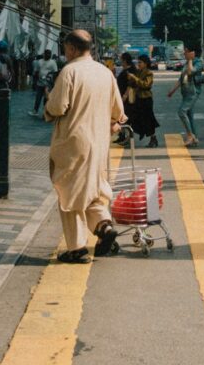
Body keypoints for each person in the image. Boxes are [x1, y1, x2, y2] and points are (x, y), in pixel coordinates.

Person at [44, 29, 126, 263]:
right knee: (93, 188)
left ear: (71, 48)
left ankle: (77, 248)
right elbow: (118, 112)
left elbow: (58, 106)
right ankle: (104, 227)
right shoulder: (104, 72)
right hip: (99, 143)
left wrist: (48, 105)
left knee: (68, 192)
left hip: (73, 141)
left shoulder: (69, 71)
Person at [168, 46, 200, 146]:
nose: (184, 54)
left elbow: (191, 72)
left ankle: (190, 135)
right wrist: (172, 90)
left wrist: (190, 59)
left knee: (181, 111)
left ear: (193, 53)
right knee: (189, 115)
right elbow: (181, 78)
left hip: (193, 92)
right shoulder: (187, 63)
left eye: (186, 52)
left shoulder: (198, 62)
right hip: (185, 92)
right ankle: (194, 138)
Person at [127, 54, 159, 147]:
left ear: (145, 63)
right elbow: (133, 84)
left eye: (140, 62)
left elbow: (146, 85)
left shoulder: (149, 73)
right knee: (136, 118)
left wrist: (135, 78)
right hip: (138, 98)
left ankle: (153, 138)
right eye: (138, 62)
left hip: (146, 98)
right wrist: (130, 79)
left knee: (148, 119)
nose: (139, 64)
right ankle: (139, 134)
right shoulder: (138, 72)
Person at [115, 52, 136, 145]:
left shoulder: (131, 70)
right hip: (122, 96)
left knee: (125, 117)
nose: (121, 62)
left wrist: (125, 96)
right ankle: (122, 135)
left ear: (125, 60)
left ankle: (126, 136)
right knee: (121, 116)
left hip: (128, 98)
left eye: (122, 60)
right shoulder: (125, 70)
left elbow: (130, 85)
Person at [30, 49, 58, 117]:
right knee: (38, 98)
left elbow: (55, 72)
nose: (48, 55)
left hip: (48, 84)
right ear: (44, 54)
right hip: (40, 83)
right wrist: (35, 80)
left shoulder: (53, 62)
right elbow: (36, 71)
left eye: (49, 54)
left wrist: (52, 81)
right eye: (47, 54)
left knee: (46, 98)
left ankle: (45, 113)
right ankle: (35, 111)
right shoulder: (39, 62)